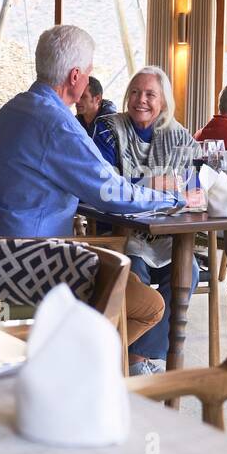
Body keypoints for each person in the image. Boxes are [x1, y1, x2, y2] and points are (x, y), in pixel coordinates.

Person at [0, 26, 176, 356]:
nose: (88, 78)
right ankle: (81, 365)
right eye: (88, 72)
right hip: (36, 262)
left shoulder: (13, 109)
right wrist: (171, 199)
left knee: (128, 280)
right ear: (74, 77)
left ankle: (88, 362)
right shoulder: (56, 122)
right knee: (149, 304)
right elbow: (110, 194)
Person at [91, 67, 200, 372]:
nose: (141, 100)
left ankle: (135, 357)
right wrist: (155, 183)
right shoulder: (107, 129)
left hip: (163, 234)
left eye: (150, 94)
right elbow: (106, 187)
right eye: (135, 92)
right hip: (118, 232)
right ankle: (122, 356)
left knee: (187, 269)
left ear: (163, 101)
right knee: (132, 270)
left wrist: (190, 190)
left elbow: (195, 184)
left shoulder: (178, 136)